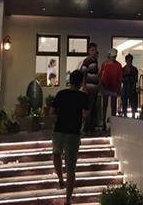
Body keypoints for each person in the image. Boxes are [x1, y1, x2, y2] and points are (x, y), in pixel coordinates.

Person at [50, 70, 89, 205]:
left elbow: (51, 111)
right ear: (80, 82)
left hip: (59, 130)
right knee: (71, 167)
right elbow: (85, 113)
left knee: (56, 154)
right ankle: (67, 200)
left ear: (70, 81)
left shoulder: (61, 94)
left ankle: (60, 180)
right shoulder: (83, 97)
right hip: (73, 133)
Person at [99, 48, 123, 130]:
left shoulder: (118, 65)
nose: (113, 58)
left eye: (115, 56)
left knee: (113, 106)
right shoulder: (104, 64)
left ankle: (113, 123)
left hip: (114, 87)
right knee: (104, 105)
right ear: (109, 55)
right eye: (112, 56)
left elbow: (120, 78)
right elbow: (100, 76)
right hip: (105, 86)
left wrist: (119, 88)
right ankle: (103, 122)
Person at [81, 42, 99, 134]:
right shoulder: (87, 61)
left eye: (95, 50)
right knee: (89, 108)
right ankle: (87, 128)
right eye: (92, 50)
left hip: (94, 88)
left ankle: (91, 126)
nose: (94, 51)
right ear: (89, 51)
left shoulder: (95, 61)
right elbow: (83, 74)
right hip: (89, 87)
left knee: (93, 108)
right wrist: (85, 87)